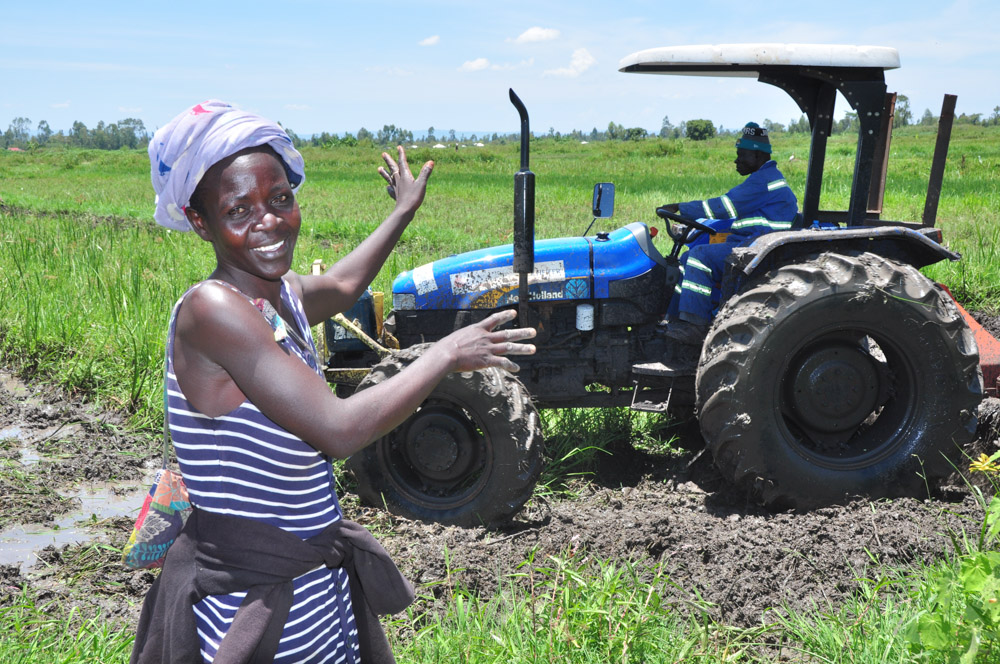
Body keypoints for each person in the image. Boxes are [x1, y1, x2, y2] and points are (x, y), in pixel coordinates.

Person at [131, 100, 536, 664]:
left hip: (311, 579)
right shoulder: (212, 311)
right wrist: (443, 354)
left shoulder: (280, 297)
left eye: (280, 199)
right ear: (200, 222)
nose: (268, 221)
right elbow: (338, 430)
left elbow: (344, 283)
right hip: (257, 594)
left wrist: (403, 211)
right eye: (238, 209)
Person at [659, 122, 798, 354]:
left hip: (756, 247)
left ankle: (695, 325)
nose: (737, 161)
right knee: (685, 260)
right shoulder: (763, 178)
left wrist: (680, 207)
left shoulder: (764, 182)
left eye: (741, 155)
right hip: (747, 241)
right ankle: (672, 320)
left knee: (699, 257)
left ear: (757, 154)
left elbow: (724, 207)